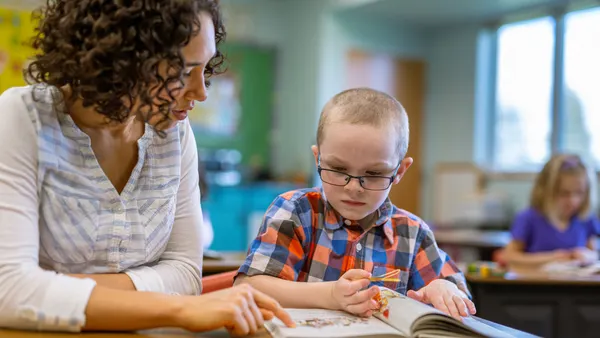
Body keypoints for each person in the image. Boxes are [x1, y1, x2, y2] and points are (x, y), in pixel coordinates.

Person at [0, 0, 292, 335]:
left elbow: (185, 274)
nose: (200, 92)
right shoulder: (21, 118)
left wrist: (52, 287)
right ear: (119, 60)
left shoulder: (176, 136)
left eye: (205, 67)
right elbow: (8, 289)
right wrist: (179, 308)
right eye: (183, 72)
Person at [234, 88, 476, 321]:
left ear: (399, 171)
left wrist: (443, 288)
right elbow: (251, 286)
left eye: (373, 173)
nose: (353, 187)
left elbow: (459, 296)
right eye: (338, 169)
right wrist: (330, 296)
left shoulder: (413, 234)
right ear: (318, 158)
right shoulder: (296, 211)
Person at [503, 154, 600, 268]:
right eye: (564, 193)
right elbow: (509, 256)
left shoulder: (585, 219)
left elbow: (594, 254)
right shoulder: (528, 218)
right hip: (537, 283)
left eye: (579, 193)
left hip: (573, 283)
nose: (573, 201)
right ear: (545, 191)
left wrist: (586, 256)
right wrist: (553, 258)